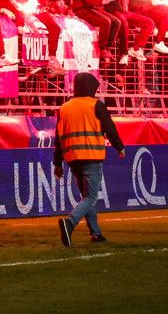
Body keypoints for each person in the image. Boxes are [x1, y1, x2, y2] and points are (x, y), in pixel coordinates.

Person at [52, 71, 125, 246]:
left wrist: (58, 163)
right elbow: (110, 129)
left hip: (72, 158)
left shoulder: (64, 108)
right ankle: (70, 222)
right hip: (91, 156)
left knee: (87, 196)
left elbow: (58, 139)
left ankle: (96, 234)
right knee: (91, 196)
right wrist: (119, 147)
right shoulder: (96, 105)